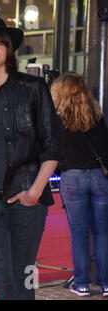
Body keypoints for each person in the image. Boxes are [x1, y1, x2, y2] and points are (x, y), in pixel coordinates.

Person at [0, 15, 61, 300]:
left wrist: (34, 192)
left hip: (26, 200)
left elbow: (52, 145)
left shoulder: (33, 88)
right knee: (1, 277)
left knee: (24, 276)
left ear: (8, 50)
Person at [51, 72, 108, 297]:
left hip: (72, 177)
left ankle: (82, 283)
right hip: (99, 177)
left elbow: (52, 150)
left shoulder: (57, 120)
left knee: (79, 233)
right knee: (102, 232)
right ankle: (105, 283)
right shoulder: (96, 116)